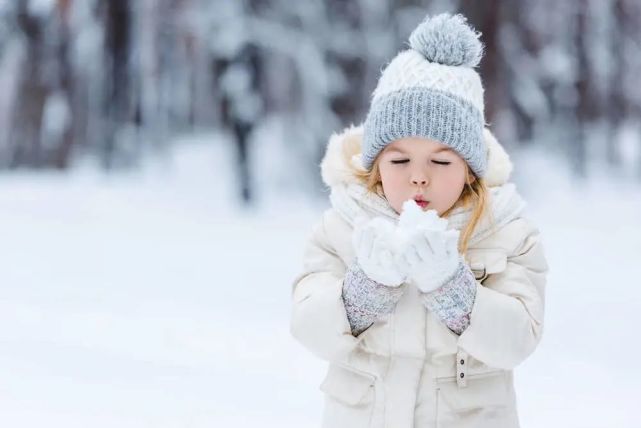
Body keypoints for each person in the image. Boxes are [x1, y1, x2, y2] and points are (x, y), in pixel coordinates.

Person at [290, 13, 549, 428]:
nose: (419, 176)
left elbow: (519, 339)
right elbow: (307, 326)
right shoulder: (342, 227)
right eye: (400, 159)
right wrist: (364, 290)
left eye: (441, 160)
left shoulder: (507, 232)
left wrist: (454, 289)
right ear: (375, 164)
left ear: (470, 167)